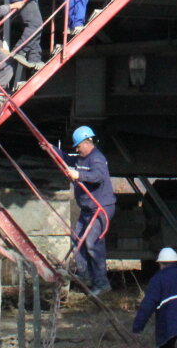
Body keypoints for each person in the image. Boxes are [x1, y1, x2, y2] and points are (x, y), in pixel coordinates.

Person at [63, 125, 116, 295]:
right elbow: (67, 159)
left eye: (78, 146)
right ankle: (85, 276)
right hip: (88, 209)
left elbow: (98, 177)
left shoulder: (97, 158)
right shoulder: (81, 159)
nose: (77, 149)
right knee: (77, 240)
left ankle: (102, 284)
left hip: (100, 208)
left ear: (87, 142)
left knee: (93, 244)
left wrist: (79, 175)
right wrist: (50, 148)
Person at [132, 247, 177, 348]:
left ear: (160, 263)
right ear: (176, 262)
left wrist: (137, 327)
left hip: (169, 321)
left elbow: (148, 305)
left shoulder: (158, 279)